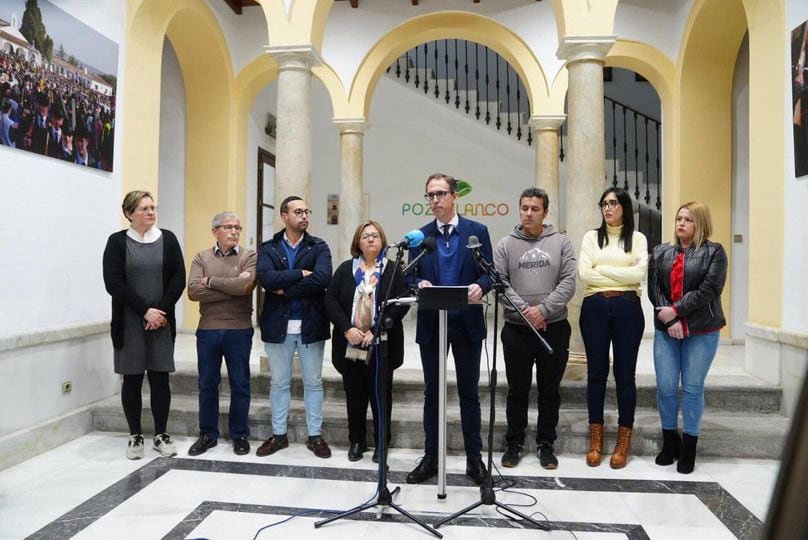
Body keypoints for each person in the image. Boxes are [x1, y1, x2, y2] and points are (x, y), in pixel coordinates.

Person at [405, 173, 493, 485]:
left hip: (466, 323)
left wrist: (480, 287)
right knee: (433, 394)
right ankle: (431, 457)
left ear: (455, 196)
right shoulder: (420, 237)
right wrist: (418, 283)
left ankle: (474, 459)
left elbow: (490, 275)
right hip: (433, 323)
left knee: (469, 394)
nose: (435, 200)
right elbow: (407, 277)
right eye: (430, 195)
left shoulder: (476, 232)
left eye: (441, 193)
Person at [494, 188, 576, 470]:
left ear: (545, 212)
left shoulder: (562, 243)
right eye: (524, 208)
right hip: (516, 330)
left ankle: (546, 445)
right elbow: (501, 285)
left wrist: (542, 311)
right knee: (517, 390)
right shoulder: (505, 244)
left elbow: (568, 282)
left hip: (553, 327)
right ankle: (514, 444)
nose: (529, 213)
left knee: (549, 390)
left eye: (535, 209)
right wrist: (528, 314)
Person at [102, 191, 185, 459]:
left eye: (153, 207)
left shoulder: (168, 239)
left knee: (160, 378)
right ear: (129, 214)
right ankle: (135, 435)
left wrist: (159, 311)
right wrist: (144, 311)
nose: (151, 212)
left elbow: (177, 279)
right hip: (129, 322)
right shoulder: (117, 242)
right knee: (133, 379)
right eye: (144, 208)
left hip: (160, 322)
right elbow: (113, 283)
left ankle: (161, 434)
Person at [649, 202, 727, 474]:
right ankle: (670, 441)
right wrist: (670, 318)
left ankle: (689, 447)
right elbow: (654, 289)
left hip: (701, 330)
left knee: (692, 388)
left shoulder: (714, 252)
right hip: (666, 330)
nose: (681, 223)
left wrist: (678, 312)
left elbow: (710, 290)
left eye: (688, 219)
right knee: (666, 387)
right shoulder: (660, 252)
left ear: (700, 223)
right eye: (678, 218)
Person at [324, 221, 410, 462]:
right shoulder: (345, 269)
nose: (371, 239)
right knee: (355, 395)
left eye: (375, 235)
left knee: (381, 396)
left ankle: (382, 442)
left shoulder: (392, 270)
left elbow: (401, 303)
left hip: (382, 344)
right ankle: (357, 441)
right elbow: (330, 300)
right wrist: (347, 329)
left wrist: (377, 329)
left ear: (382, 241)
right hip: (350, 344)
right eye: (365, 236)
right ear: (358, 242)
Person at [256, 196, 333, 458]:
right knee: (279, 383)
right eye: (298, 211)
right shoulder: (269, 247)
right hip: (278, 324)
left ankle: (315, 436)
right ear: (284, 216)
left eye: (306, 211)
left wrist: (285, 291)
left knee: (313, 383)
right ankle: (279, 436)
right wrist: (301, 274)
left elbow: (322, 279)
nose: (304, 216)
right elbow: (266, 278)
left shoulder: (318, 246)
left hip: (311, 323)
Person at [578, 187, 648, 469]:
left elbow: (639, 274)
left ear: (624, 207)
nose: (607, 209)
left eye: (613, 203)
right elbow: (584, 273)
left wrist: (602, 269)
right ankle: (596, 439)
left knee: (624, 374)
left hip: (628, 309)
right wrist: (621, 273)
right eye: (603, 204)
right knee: (596, 373)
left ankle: (623, 440)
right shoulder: (591, 237)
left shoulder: (638, 239)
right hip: (594, 308)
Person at [187, 212, 257, 456]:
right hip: (208, 329)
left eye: (237, 227)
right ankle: (208, 434)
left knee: (240, 384)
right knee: (207, 384)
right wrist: (232, 288)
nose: (234, 231)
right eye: (228, 227)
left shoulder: (249, 255)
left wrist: (211, 282)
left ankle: (239, 435)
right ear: (214, 231)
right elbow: (193, 291)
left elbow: (245, 286)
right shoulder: (201, 256)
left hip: (239, 329)